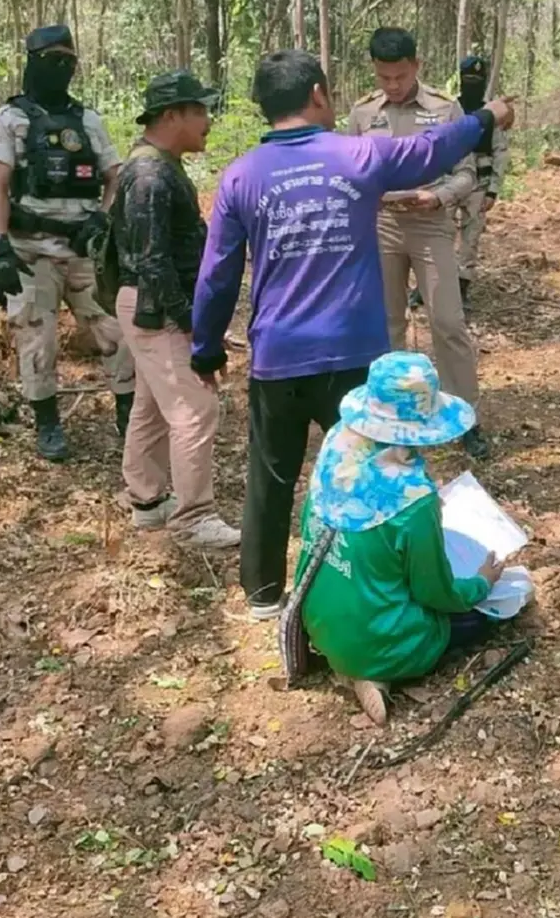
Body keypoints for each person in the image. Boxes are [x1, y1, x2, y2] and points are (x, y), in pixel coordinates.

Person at [189, 49, 514, 620]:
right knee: (374, 471)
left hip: (279, 355)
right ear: (317, 93)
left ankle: (264, 595)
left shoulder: (240, 176)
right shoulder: (357, 154)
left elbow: (216, 273)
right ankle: (373, 586)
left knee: (270, 475)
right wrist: (488, 117)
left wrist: (206, 346)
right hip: (354, 357)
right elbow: (430, 150)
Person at [292, 351, 505, 725]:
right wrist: (481, 584)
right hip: (383, 641)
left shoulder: (336, 443)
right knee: (476, 617)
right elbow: (436, 593)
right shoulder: (414, 503)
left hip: (317, 622)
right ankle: (376, 669)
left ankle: (345, 662)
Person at [0, 24, 134, 460]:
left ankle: (128, 414)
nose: (63, 69)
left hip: (83, 249)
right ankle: (47, 423)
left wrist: (101, 220)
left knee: (118, 332)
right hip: (31, 250)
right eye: (53, 61)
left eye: (69, 61)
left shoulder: (87, 121)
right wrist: (0, 245)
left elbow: (115, 177)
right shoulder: (8, 120)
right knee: (35, 338)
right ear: (34, 62)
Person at [346, 28, 490, 460]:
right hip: (382, 225)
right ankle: (392, 418)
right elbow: (351, 170)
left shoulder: (445, 110)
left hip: (431, 224)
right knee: (387, 324)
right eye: (385, 77)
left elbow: (468, 172)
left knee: (447, 322)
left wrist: (440, 196)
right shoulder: (362, 113)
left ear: (417, 66)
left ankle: (466, 417)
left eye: (401, 76)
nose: (393, 85)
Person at [112, 71, 240, 549]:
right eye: (200, 111)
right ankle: (193, 518)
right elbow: (151, 260)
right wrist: (189, 320)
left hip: (150, 304)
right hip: (155, 306)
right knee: (195, 409)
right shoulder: (149, 175)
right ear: (172, 116)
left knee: (152, 404)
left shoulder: (159, 165)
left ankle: (147, 501)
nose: (208, 120)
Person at [455, 55, 510, 315]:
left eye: (477, 80)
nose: (471, 84)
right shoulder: (449, 110)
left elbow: (500, 152)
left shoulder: (492, 114)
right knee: (438, 235)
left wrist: (493, 190)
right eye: (468, 80)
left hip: (479, 183)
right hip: (448, 182)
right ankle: (427, 287)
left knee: (470, 238)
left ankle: (462, 287)